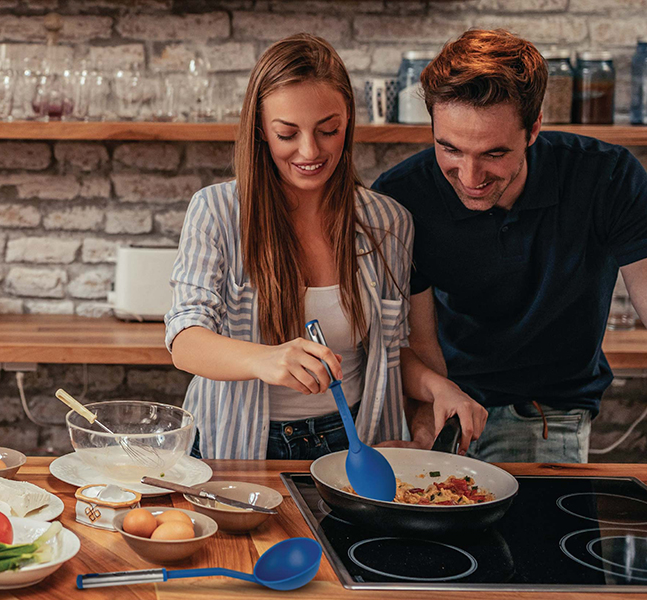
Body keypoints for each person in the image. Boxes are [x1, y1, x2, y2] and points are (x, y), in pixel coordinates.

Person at [372, 29, 647, 523]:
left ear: (534, 127)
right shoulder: (401, 196)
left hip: (547, 415)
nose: (470, 176)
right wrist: (427, 419)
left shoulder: (606, 178)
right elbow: (415, 334)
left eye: (495, 154)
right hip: (447, 408)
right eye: (450, 149)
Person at [165, 34, 486, 461]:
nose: (310, 151)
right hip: (236, 446)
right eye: (287, 133)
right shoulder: (217, 212)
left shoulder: (387, 223)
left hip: (354, 441)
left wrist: (437, 387)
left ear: (348, 121)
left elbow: (392, 353)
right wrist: (268, 360)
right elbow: (186, 339)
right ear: (261, 128)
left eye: (327, 130)